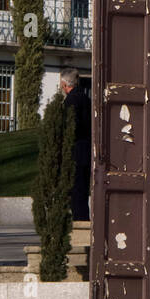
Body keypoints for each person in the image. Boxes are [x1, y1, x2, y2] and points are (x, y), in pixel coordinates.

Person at [58, 70, 91, 222]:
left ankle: (79, 223)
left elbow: (72, 126)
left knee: (75, 191)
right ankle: (84, 220)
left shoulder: (71, 100)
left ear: (65, 84)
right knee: (83, 191)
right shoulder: (86, 98)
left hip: (75, 150)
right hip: (87, 149)